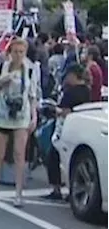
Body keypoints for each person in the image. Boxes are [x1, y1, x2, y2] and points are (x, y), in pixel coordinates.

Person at [0, 37, 40, 207]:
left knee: (19, 154)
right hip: (1, 114)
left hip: (21, 116)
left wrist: (34, 115)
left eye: (22, 52)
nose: (18, 55)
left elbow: (32, 95)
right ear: (9, 53)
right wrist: (2, 81)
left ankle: (18, 192)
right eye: (15, 52)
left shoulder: (30, 70)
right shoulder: (1, 67)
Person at [44, 64, 91, 201]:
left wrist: (55, 110)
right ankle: (72, 189)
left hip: (66, 127)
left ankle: (56, 188)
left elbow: (65, 110)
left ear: (72, 75)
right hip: (81, 128)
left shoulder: (71, 92)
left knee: (53, 156)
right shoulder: (86, 91)